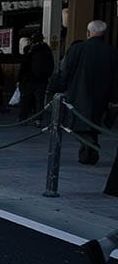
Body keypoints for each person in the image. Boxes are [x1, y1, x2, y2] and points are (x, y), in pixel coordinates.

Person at [53, 21, 115, 164]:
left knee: (77, 125)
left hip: (78, 93)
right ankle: (88, 155)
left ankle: (90, 147)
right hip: (102, 96)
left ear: (88, 32)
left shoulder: (77, 49)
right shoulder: (111, 51)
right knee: (93, 124)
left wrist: (60, 87)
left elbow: (66, 71)